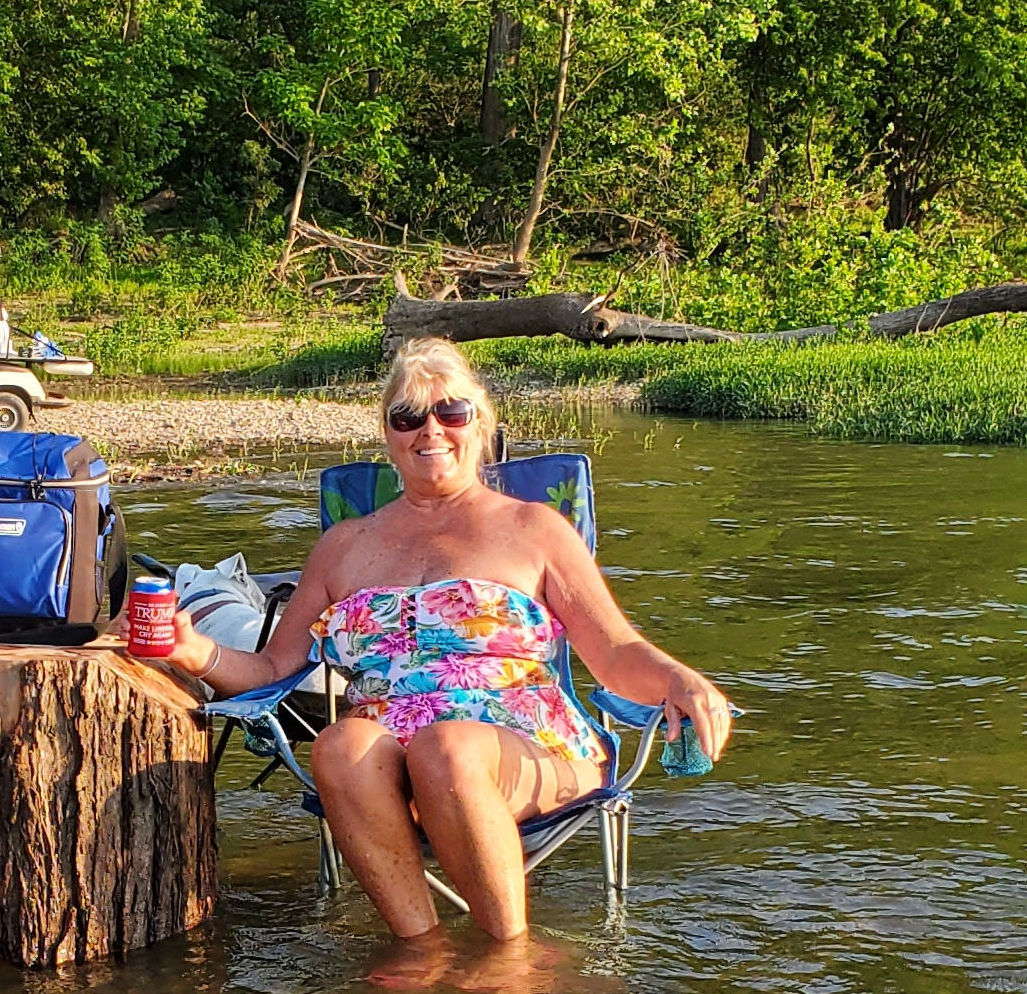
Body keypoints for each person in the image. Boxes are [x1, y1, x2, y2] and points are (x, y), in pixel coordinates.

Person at [166, 336, 734, 943]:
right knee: (337, 746)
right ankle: (421, 951)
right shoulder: (343, 546)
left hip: (525, 743)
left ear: (481, 423)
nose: (429, 430)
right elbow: (275, 665)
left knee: (446, 748)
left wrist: (681, 679)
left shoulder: (535, 529)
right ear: (387, 434)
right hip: (390, 750)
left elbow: (615, 652)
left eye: (450, 412)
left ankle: (510, 964)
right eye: (407, 417)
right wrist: (191, 650)